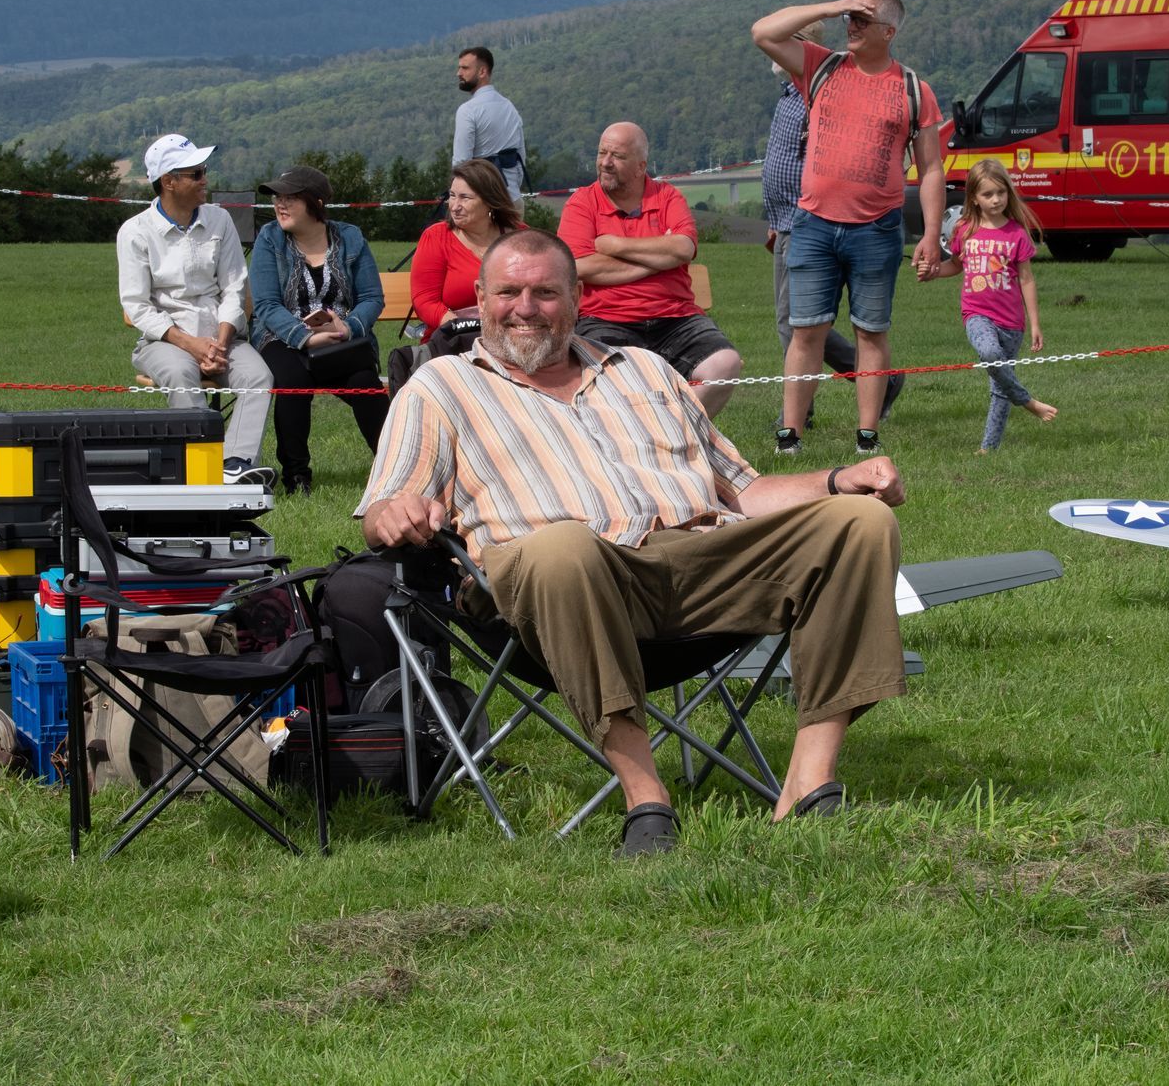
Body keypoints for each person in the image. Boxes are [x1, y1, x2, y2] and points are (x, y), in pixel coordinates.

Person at [359, 229, 909, 858]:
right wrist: (396, 511)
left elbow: (745, 491)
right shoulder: (439, 389)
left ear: (577, 296)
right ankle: (647, 799)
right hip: (555, 587)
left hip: (702, 567)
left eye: (545, 291)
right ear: (480, 297)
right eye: (508, 291)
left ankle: (809, 784)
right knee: (561, 546)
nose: (526, 307)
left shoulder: (645, 370)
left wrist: (842, 480)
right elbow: (381, 513)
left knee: (860, 524)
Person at [753, 0, 945, 456]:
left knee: (871, 333)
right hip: (813, 224)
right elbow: (763, 32)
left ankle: (866, 438)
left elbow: (932, 167)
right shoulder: (822, 66)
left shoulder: (913, 89)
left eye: (863, 19)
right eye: (850, 19)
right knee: (806, 331)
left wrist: (933, 236)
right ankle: (789, 437)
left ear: (889, 32)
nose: (852, 26)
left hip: (876, 230)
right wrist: (832, 6)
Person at [117, 132, 275, 487]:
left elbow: (235, 287)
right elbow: (137, 306)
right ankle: (200, 464)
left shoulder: (220, 221)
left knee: (259, 377)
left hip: (223, 336)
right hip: (165, 341)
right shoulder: (135, 232)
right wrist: (190, 344)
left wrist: (219, 341)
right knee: (179, 373)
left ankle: (235, 465)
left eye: (204, 171)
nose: (206, 180)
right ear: (169, 182)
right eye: (197, 174)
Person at [557, 122, 745, 416]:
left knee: (725, 365)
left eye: (617, 156)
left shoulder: (667, 197)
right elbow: (580, 267)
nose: (605, 163)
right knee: (611, 382)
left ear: (640, 165)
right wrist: (659, 259)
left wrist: (614, 245)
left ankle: (679, 435)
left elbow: (683, 248)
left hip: (677, 317)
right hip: (606, 319)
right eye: (602, 153)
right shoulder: (582, 203)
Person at [762, 60, 904, 428]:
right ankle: (876, 381)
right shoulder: (789, 96)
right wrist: (776, 219)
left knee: (797, 324)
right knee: (796, 322)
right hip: (786, 222)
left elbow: (820, 163)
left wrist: (800, 216)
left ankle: (798, 414)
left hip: (810, 222)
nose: (774, 58)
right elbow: (784, 159)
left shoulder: (816, 94)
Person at [247, 165, 389, 496]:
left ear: (317, 203)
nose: (280, 205)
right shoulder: (269, 238)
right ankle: (297, 477)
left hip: (340, 340)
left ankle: (392, 467)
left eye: (290, 199)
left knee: (365, 383)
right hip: (282, 337)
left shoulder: (350, 237)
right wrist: (305, 337)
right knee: (292, 382)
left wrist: (348, 326)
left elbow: (371, 298)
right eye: (278, 198)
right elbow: (266, 306)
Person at [918, 160, 1057, 452]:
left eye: (1001, 193)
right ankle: (1028, 402)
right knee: (989, 353)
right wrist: (932, 272)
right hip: (977, 315)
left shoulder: (1017, 233)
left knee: (999, 387)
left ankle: (987, 449)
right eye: (988, 195)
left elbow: (1027, 280)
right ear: (974, 199)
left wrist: (1035, 324)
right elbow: (954, 266)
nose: (996, 200)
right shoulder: (965, 231)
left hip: (1012, 323)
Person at [410, 160, 523, 340]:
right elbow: (425, 300)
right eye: (452, 196)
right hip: (454, 340)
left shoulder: (521, 238)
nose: (454, 206)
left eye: (465, 198)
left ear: (490, 201)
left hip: (513, 336)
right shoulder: (436, 237)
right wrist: (459, 328)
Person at [452, 46, 528, 200]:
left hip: (483, 203)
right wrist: (511, 189)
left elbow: (461, 164)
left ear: (482, 72)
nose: (459, 73)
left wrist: (457, 198)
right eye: (459, 68)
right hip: (512, 200)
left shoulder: (467, 110)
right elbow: (521, 157)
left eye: (465, 68)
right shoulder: (509, 107)